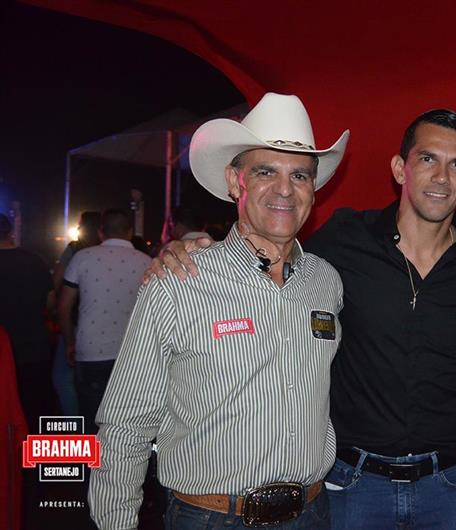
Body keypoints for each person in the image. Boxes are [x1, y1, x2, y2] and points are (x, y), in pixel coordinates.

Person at [156, 109, 456, 529]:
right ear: (400, 168)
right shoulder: (345, 238)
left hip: (446, 486)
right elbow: (273, 244)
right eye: (428, 158)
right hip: (354, 484)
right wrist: (191, 246)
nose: (442, 177)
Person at [89, 92, 349, 530]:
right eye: (265, 171)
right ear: (234, 181)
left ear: (313, 189)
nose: (285, 189)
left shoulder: (327, 282)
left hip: (311, 514)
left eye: (300, 175)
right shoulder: (179, 282)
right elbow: (125, 425)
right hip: (210, 518)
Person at [58, 208, 152, 434]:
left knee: (91, 422)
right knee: (128, 426)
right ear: (129, 232)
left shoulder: (82, 257)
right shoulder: (147, 262)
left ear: (101, 232)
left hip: (90, 352)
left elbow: (63, 307)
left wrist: (69, 342)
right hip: (133, 356)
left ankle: (93, 457)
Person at [0, 213, 55, 432]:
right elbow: (50, 302)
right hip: (34, 347)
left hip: (3, 354)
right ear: (10, 232)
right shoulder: (35, 261)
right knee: (35, 411)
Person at [52, 210, 102, 416]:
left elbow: (57, 282)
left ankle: (75, 426)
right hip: (105, 323)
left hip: (74, 320)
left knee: (63, 378)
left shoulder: (75, 250)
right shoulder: (107, 251)